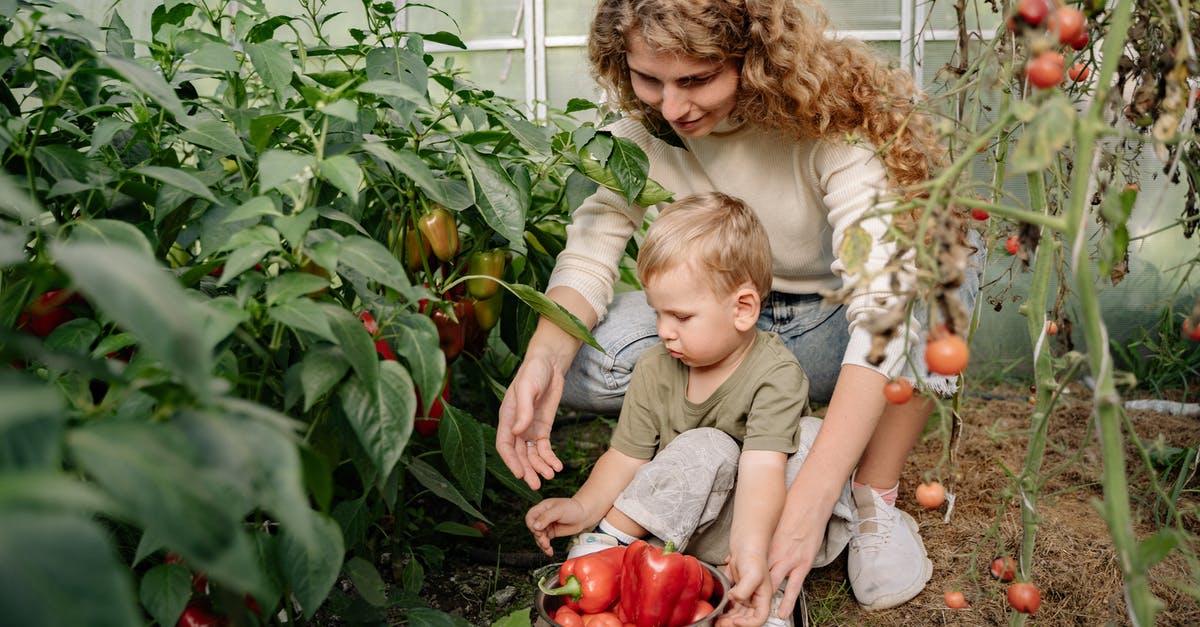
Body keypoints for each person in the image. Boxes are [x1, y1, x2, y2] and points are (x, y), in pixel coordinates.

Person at [497, 0, 983, 620]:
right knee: (582, 365)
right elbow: (593, 249)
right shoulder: (645, 126)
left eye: (696, 80)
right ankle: (727, 450)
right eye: (649, 79)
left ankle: (870, 498)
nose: (671, 107)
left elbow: (882, 313)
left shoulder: (833, 125)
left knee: (943, 267)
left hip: (830, 321)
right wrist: (543, 359)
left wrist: (805, 511)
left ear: (752, 60)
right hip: (727, 319)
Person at [525, 191, 815, 626]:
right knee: (708, 446)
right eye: (657, 313)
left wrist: (750, 551)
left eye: (680, 317)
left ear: (743, 309)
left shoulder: (777, 374)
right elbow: (626, 456)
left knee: (811, 441)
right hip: (684, 522)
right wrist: (585, 508)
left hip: (758, 523)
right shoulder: (656, 367)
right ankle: (611, 543)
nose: (663, 331)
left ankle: (761, 585)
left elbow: (762, 471)